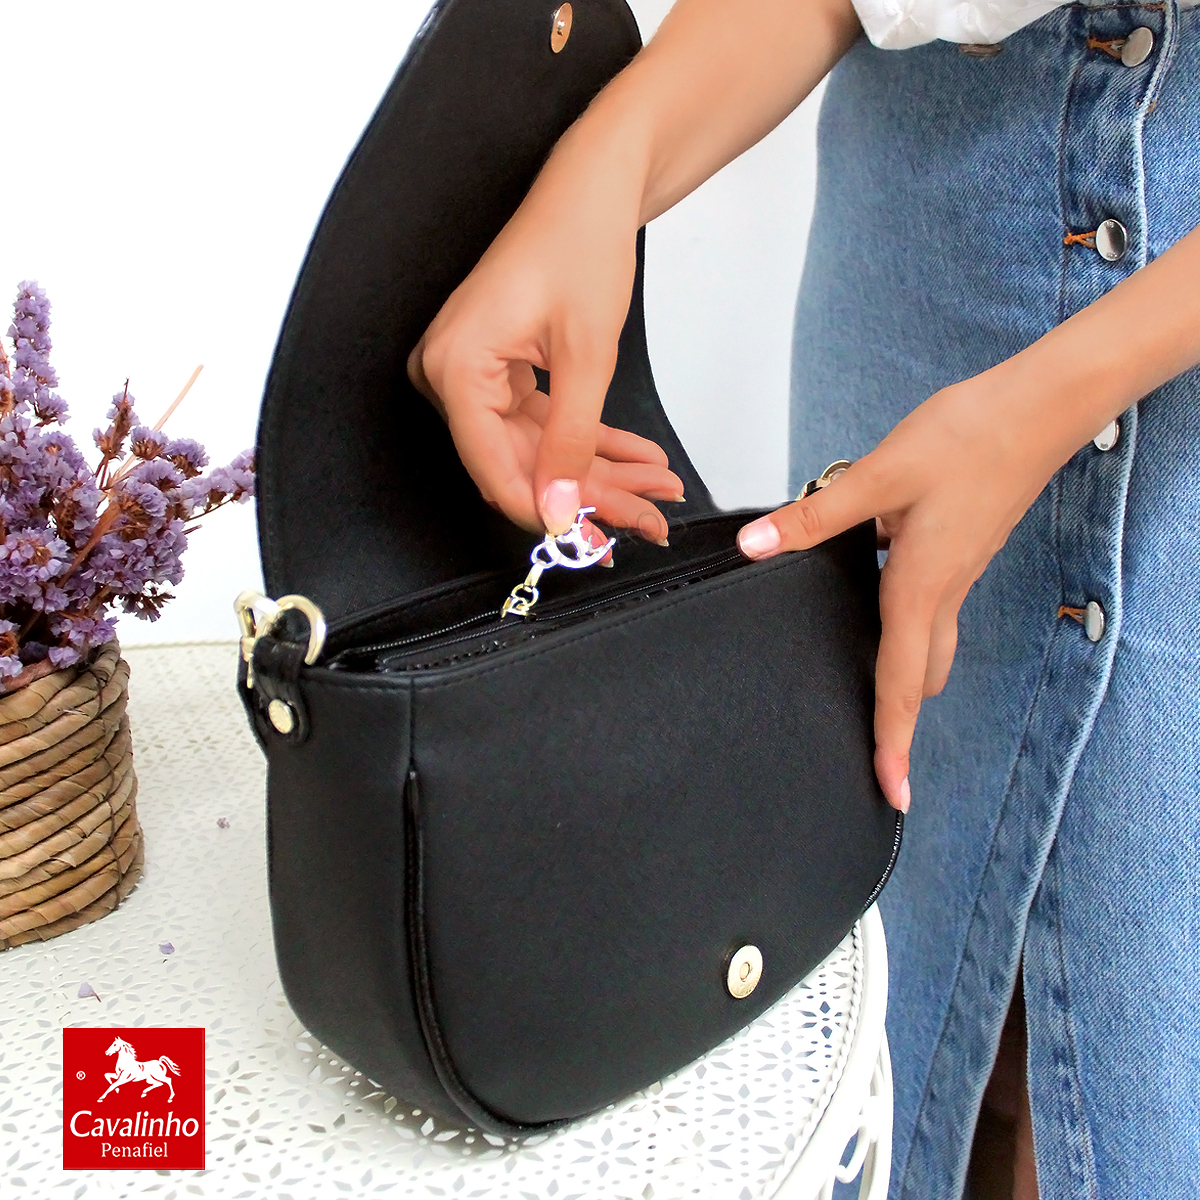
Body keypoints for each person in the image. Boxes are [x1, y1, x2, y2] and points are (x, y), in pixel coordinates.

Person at [407, 0, 1200, 1193]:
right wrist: (604, 167)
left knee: (1133, 1073)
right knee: (883, 1005)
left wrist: (1041, 402)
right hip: (921, 230)